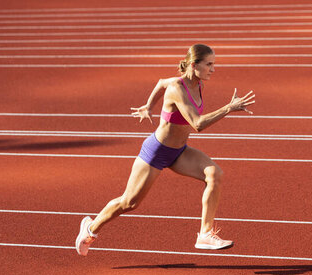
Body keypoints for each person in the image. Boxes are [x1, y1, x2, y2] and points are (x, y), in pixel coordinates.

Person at [76, 43, 255, 256]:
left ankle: (205, 234)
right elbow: (197, 124)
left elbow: (160, 82)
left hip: (179, 151)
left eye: (213, 65)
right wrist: (228, 108)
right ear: (193, 64)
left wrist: (149, 105)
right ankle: (90, 228)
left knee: (215, 173)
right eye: (208, 64)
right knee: (129, 202)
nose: (213, 70)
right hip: (157, 151)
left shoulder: (197, 85)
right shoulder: (177, 88)